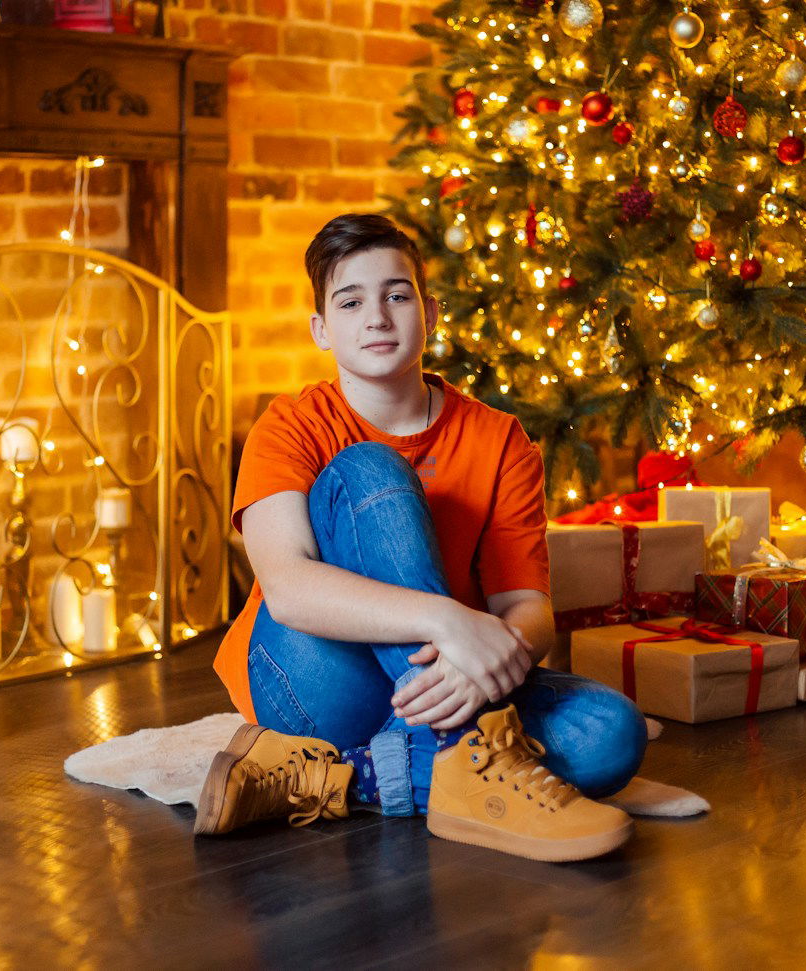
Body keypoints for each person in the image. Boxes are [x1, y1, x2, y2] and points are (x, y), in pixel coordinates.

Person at [195, 214, 646, 862]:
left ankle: (351, 776)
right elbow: (288, 589)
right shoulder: (290, 425)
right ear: (322, 329)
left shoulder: (499, 438)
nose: (377, 316)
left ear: (429, 311)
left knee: (612, 734)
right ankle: (470, 753)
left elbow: (527, 607)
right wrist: (446, 622)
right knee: (369, 469)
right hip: (312, 668)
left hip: (439, 680)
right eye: (350, 301)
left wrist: (474, 660)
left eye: (397, 294)